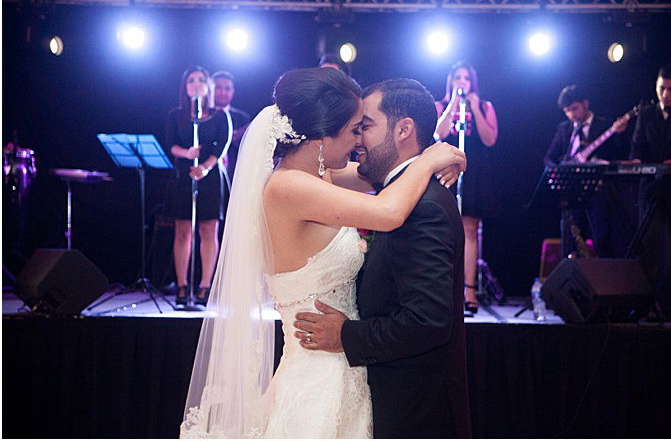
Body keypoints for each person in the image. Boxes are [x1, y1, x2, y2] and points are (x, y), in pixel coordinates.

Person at [180, 67, 465, 438]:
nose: (357, 141)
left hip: (348, 365)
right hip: (318, 371)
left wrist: (438, 155)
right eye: (352, 130)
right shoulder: (289, 188)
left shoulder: (318, 176)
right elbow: (389, 211)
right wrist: (430, 159)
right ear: (320, 138)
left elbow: (385, 171)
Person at [293, 78, 471, 438]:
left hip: (415, 411)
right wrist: (434, 157)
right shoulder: (399, 191)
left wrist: (347, 335)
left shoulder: (422, 207)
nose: (358, 139)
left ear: (404, 129)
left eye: (366, 127)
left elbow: (428, 322)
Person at [630, 64, 671, 318]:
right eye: (661, 89)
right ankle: (647, 305)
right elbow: (636, 149)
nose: (665, 94)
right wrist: (637, 162)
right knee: (650, 247)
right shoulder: (647, 114)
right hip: (651, 191)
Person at [164, 66, 232, 306]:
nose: (196, 84)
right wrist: (186, 153)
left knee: (208, 231)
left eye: (201, 80)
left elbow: (221, 145)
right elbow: (170, 144)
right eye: (191, 80)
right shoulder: (177, 115)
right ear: (185, 86)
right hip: (184, 174)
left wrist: (204, 166)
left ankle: (205, 286)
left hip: (210, 175)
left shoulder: (219, 114)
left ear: (208, 85)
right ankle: (182, 285)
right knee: (182, 230)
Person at [435, 61, 498, 315]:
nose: (462, 82)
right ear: (450, 81)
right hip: (446, 168)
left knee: (470, 230)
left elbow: (490, 139)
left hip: (475, 170)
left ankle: (469, 289)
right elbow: (438, 134)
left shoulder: (484, 106)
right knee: (445, 229)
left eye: (466, 78)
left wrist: (474, 108)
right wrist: (452, 105)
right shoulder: (441, 106)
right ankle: (445, 290)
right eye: (457, 77)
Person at [544, 84, 631, 258]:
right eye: (567, 111)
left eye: (574, 109)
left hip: (598, 193)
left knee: (602, 239)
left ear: (585, 103)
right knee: (570, 243)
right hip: (572, 194)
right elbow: (549, 158)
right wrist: (556, 173)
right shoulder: (564, 129)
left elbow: (621, 153)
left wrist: (620, 133)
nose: (571, 115)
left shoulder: (605, 126)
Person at [211, 70, 251, 183]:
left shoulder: (243, 119)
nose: (223, 92)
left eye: (227, 88)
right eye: (218, 87)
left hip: (233, 177)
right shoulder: (201, 116)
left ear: (233, 91)